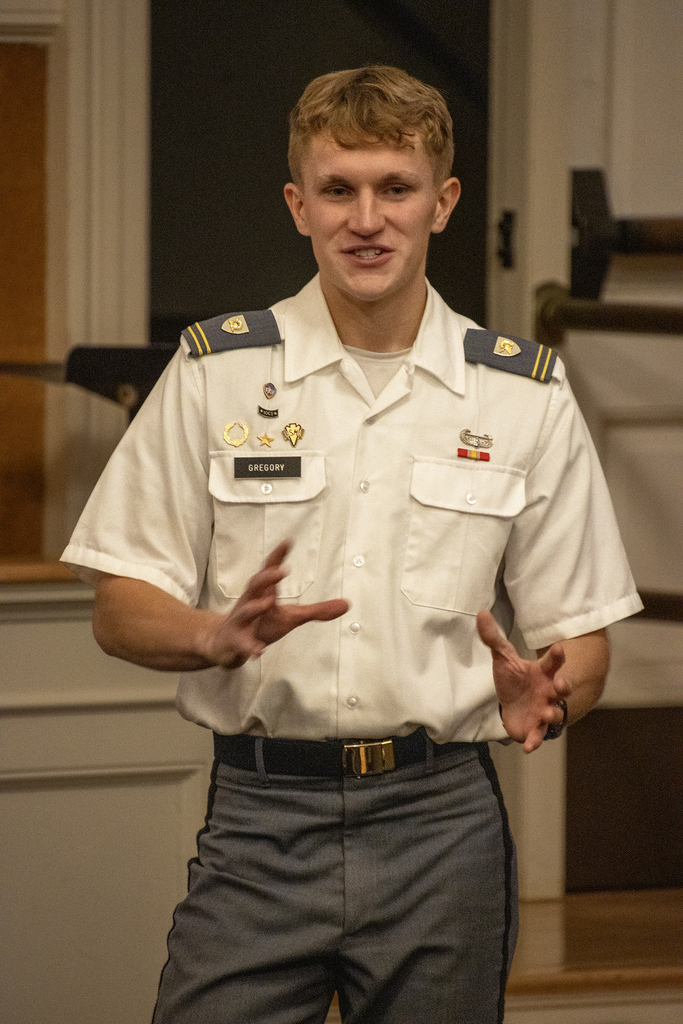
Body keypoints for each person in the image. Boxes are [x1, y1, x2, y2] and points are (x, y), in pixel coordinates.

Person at [62, 65, 642, 1024]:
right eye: (338, 190)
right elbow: (119, 608)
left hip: (440, 823)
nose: (366, 219)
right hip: (259, 822)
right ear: (298, 204)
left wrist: (552, 692)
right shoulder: (214, 373)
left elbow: (581, 636)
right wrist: (212, 636)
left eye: (395, 189)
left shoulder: (521, 396)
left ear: (442, 203)